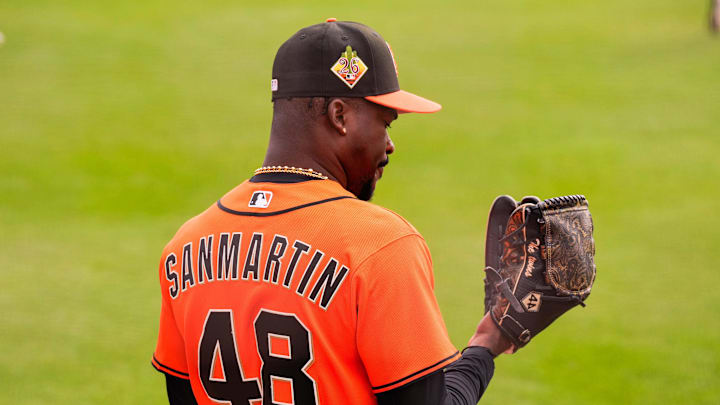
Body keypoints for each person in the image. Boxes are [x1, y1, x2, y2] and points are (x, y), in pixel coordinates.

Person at [152, 19, 512, 405]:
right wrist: (484, 347)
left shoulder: (185, 247)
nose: (389, 145)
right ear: (340, 116)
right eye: (385, 123)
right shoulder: (380, 245)